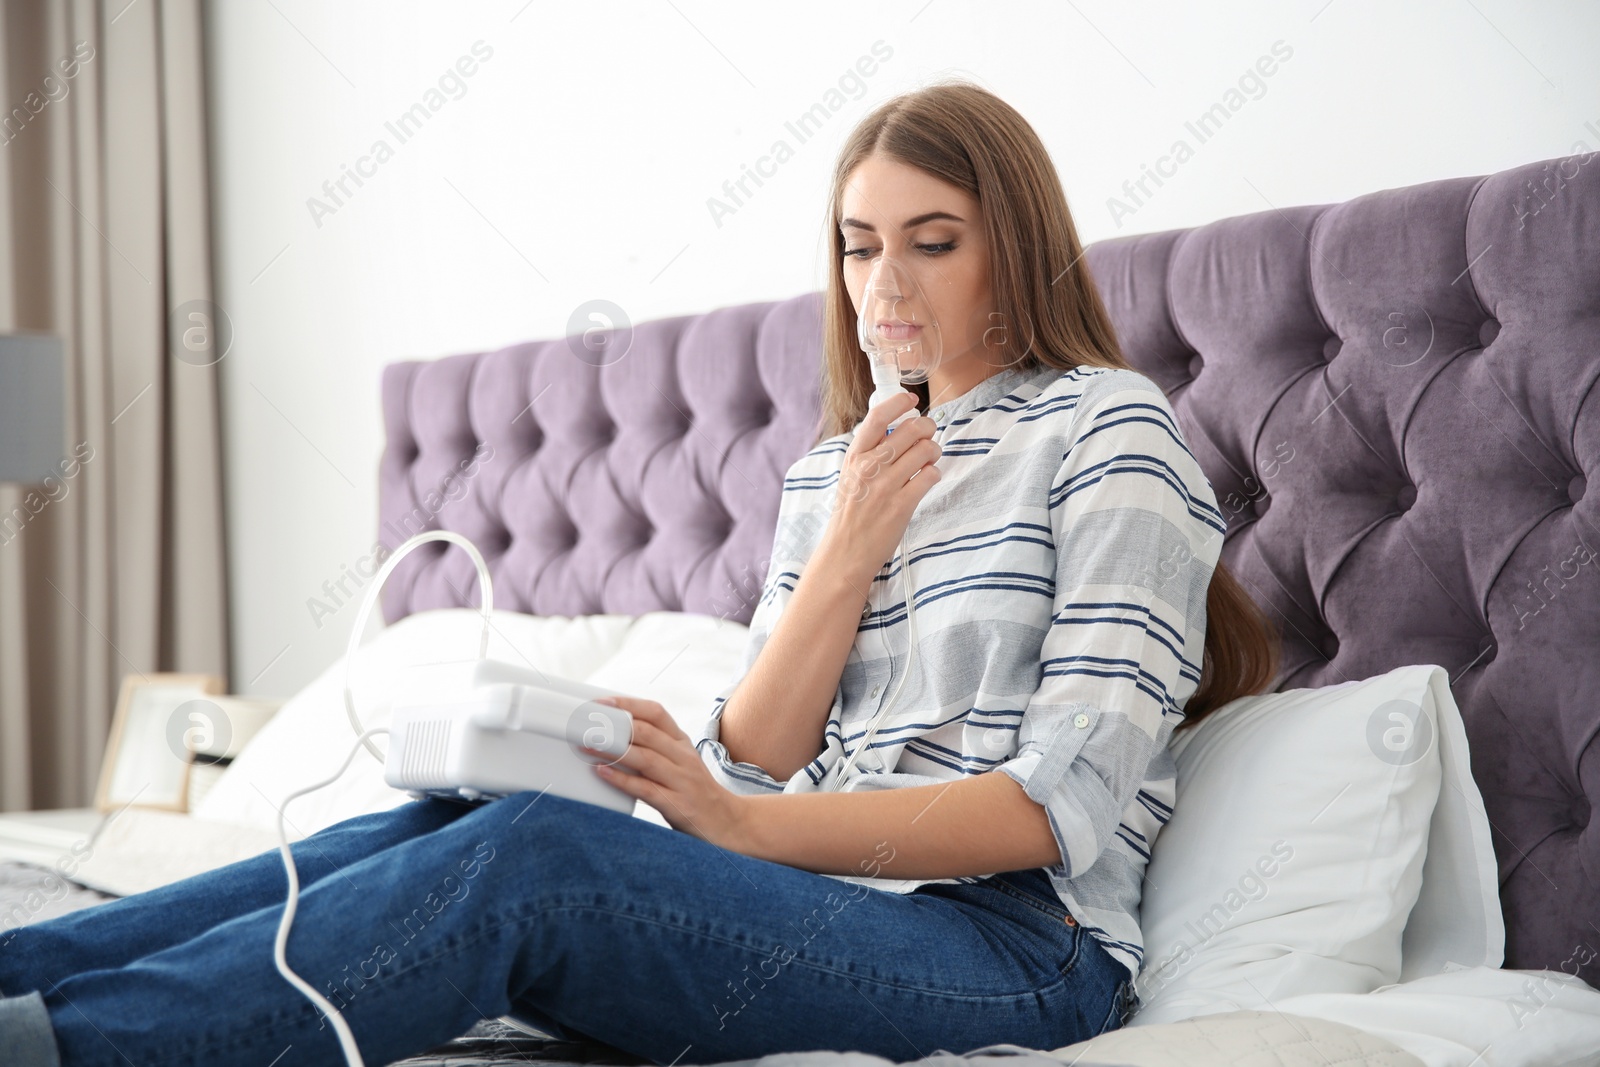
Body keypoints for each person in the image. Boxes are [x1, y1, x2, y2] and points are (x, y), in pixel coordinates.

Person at [0, 80, 1279, 1067]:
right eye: (856, 243)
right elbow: (756, 756)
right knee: (444, 819)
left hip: (1014, 944)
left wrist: (742, 827)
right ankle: (21, 979)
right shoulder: (835, 468)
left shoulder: (1109, 426)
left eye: (932, 241)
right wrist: (841, 559)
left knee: (539, 859)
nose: (883, 284)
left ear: (1017, 245)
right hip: (807, 887)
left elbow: (1054, 809)